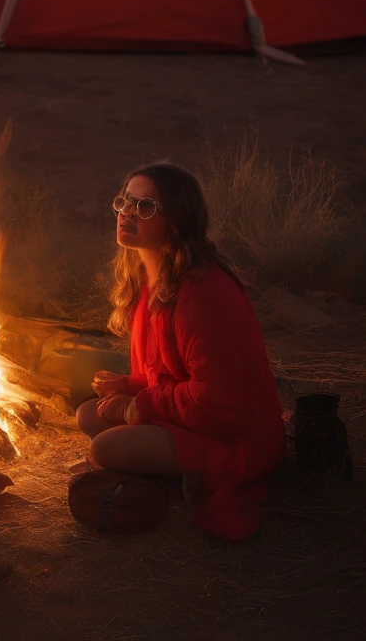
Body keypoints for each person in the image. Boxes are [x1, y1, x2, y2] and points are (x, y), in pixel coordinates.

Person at [77, 161, 286, 541]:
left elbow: (219, 403)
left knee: (106, 447)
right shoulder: (151, 279)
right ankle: (167, 468)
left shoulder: (203, 295)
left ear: (175, 222)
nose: (126, 212)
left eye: (144, 207)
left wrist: (137, 406)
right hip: (192, 415)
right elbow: (169, 373)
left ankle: (191, 479)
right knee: (88, 415)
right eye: (125, 201)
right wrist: (128, 384)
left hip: (234, 437)